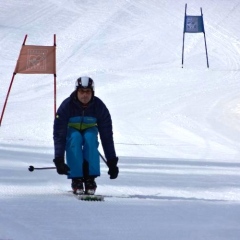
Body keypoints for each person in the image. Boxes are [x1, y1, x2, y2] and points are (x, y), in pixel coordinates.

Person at [53, 76, 119, 195]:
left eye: (88, 92)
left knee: (90, 138)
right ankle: (76, 178)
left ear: (92, 92)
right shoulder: (66, 106)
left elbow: (107, 136)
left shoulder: (99, 107)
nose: (84, 95)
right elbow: (59, 134)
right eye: (81, 92)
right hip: (72, 130)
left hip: (90, 130)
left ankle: (90, 178)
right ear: (76, 92)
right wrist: (59, 160)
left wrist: (112, 161)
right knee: (75, 138)